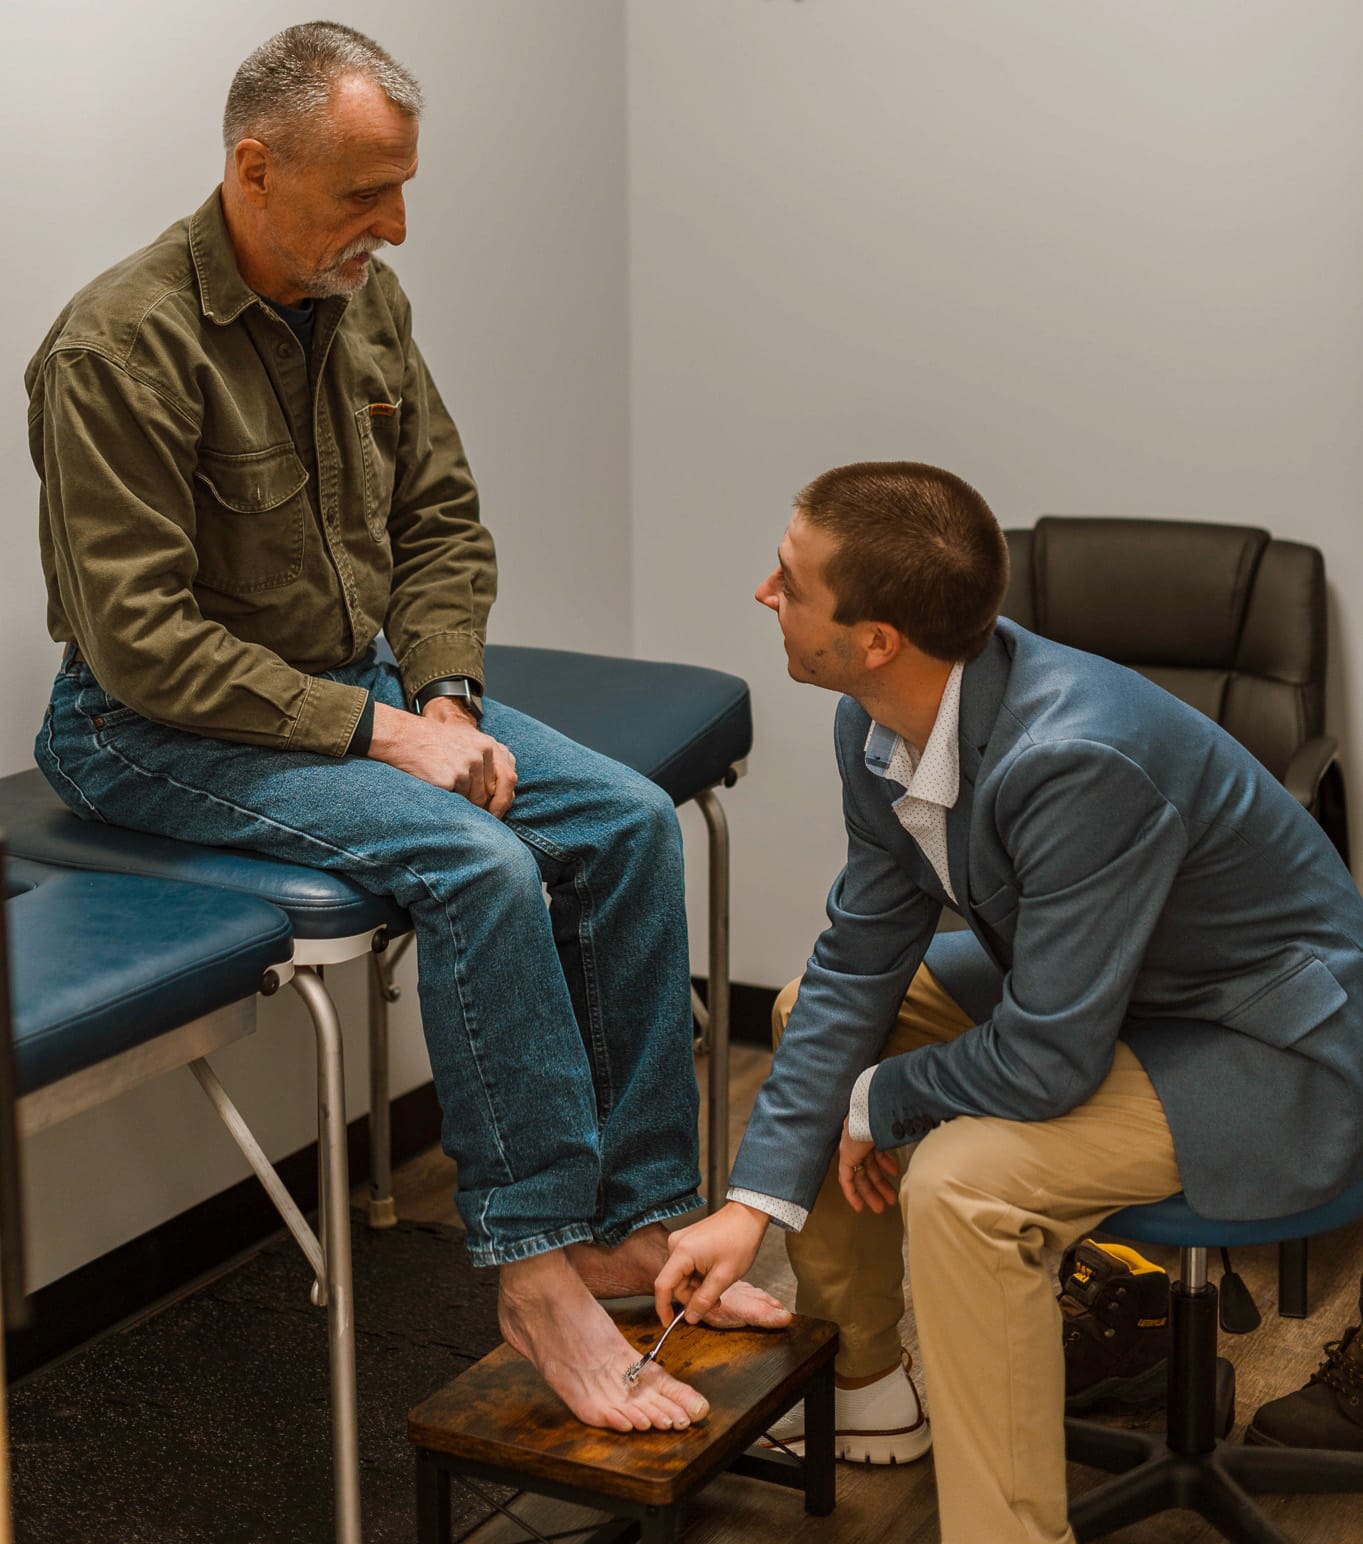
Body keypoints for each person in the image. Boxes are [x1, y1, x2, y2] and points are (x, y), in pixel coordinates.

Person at [26, 20, 786, 1435]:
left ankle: (629, 1225)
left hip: (351, 680)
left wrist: (440, 692)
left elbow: (437, 520)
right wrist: (383, 740)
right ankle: (534, 1271)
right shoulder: (116, 346)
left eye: (402, 186)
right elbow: (143, 646)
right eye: (364, 194)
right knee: (477, 865)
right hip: (148, 725)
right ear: (255, 169)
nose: (397, 225)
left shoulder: (363, 304)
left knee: (620, 822)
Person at [655, 461, 1363, 1542]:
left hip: (1266, 1036)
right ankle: (864, 1384)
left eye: (791, 582)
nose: (766, 593)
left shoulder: (1075, 755)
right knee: (811, 1007)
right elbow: (859, 958)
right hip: (1113, 986)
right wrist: (751, 1205)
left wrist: (883, 1098)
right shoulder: (878, 717)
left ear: (877, 636)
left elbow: (1045, 1060)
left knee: (960, 1183)